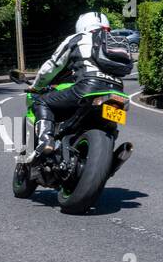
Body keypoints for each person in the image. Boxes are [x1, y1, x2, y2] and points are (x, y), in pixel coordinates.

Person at [30, 11, 118, 155]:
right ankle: (110, 154)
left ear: (82, 25)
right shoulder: (114, 42)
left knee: (42, 102)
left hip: (89, 86)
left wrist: (36, 86)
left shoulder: (78, 38)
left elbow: (53, 65)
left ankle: (46, 140)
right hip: (117, 91)